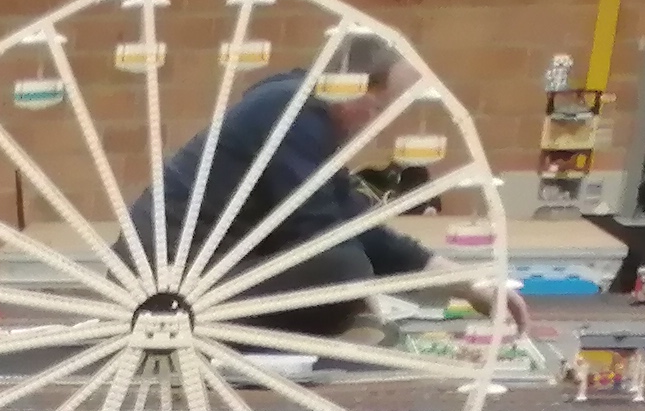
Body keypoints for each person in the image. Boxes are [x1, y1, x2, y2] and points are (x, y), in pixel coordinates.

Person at [134, 33, 429, 337]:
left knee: (347, 268)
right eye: (378, 108)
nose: (375, 124)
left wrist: (436, 268)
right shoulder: (292, 112)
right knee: (342, 270)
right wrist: (365, 295)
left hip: (201, 266)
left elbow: (352, 222)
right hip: (170, 276)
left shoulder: (306, 115)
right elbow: (317, 228)